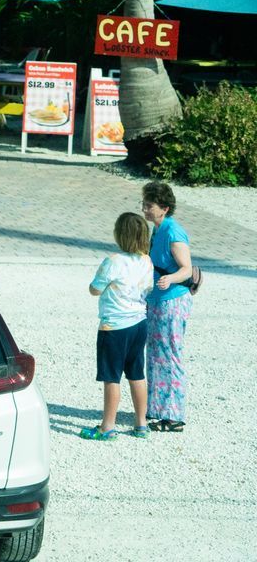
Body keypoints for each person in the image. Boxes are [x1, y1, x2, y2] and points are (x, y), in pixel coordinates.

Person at [80, 212, 154, 440]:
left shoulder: (112, 261)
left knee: (111, 376)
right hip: (139, 322)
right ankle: (141, 424)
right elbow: (148, 288)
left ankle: (107, 426)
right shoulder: (146, 261)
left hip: (114, 326)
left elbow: (95, 289)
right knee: (136, 372)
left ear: (120, 235)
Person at [142, 181, 194, 432]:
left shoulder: (174, 232)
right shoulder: (157, 229)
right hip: (156, 300)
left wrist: (169, 278)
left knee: (170, 355)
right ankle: (156, 408)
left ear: (163, 207)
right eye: (144, 204)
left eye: (149, 205)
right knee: (154, 353)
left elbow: (186, 269)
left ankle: (174, 416)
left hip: (173, 299)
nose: (144, 209)